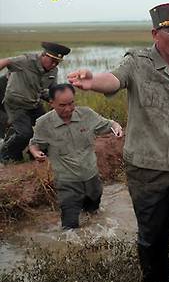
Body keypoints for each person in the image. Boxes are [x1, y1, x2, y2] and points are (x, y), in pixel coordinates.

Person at [67, 3, 169, 282]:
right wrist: (91, 81)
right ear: (155, 33)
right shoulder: (136, 63)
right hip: (146, 169)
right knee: (153, 233)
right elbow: (113, 80)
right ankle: (157, 281)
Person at [28, 83, 123, 229]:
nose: (68, 109)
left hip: (91, 178)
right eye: (62, 105)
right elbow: (34, 144)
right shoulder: (43, 123)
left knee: (94, 216)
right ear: (51, 103)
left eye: (71, 103)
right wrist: (36, 152)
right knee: (70, 226)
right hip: (67, 182)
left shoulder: (86, 114)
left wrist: (117, 128)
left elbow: (109, 124)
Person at [0, 42, 71, 162]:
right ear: (44, 55)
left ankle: (36, 153)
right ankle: (5, 154)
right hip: (16, 104)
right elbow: (6, 61)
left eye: (57, 62)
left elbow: (51, 91)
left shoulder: (53, 72)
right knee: (24, 134)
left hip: (34, 104)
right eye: (52, 61)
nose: (54, 65)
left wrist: (60, 101)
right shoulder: (26, 61)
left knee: (49, 127)